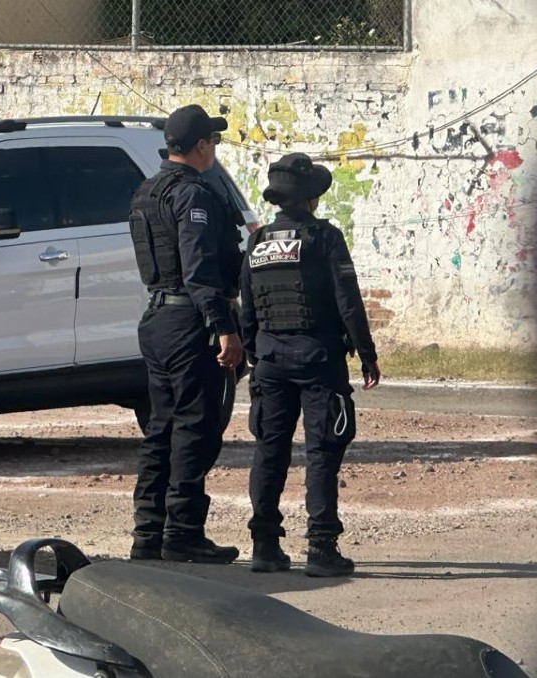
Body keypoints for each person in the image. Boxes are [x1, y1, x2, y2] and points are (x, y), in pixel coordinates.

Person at [240, 153, 381, 577]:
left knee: (269, 451)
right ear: (312, 198)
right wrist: (367, 353)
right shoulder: (324, 238)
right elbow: (348, 302)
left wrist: (256, 350)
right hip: (319, 359)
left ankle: (265, 545)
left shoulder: (258, 240)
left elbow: (247, 306)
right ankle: (321, 547)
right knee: (321, 451)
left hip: (270, 360)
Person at [127, 104, 245, 564]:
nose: (213, 148)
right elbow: (199, 270)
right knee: (196, 428)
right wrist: (223, 327)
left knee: (161, 427)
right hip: (188, 320)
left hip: (157, 317)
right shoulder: (194, 194)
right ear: (200, 145)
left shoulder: (146, 191)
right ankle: (183, 532)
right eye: (211, 141)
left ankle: (147, 534)